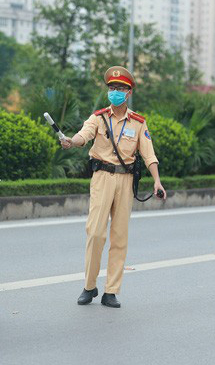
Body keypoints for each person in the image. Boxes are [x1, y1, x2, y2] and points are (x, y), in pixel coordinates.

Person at [61, 66, 166, 308]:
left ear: (128, 93)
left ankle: (111, 291)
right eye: (111, 88)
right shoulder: (98, 117)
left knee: (119, 236)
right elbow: (82, 136)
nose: (114, 92)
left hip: (126, 180)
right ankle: (89, 286)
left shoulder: (138, 123)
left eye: (119, 88)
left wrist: (157, 181)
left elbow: (149, 154)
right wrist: (71, 141)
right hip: (102, 178)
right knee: (96, 233)